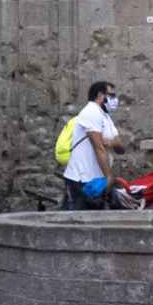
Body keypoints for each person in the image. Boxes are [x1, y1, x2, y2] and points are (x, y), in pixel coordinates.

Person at [60, 81, 121, 210]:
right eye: (111, 95)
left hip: (96, 180)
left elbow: (120, 146)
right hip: (82, 180)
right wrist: (109, 176)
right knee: (77, 222)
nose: (115, 100)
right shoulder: (91, 112)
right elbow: (99, 148)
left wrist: (109, 142)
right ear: (100, 95)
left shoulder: (105, 116)